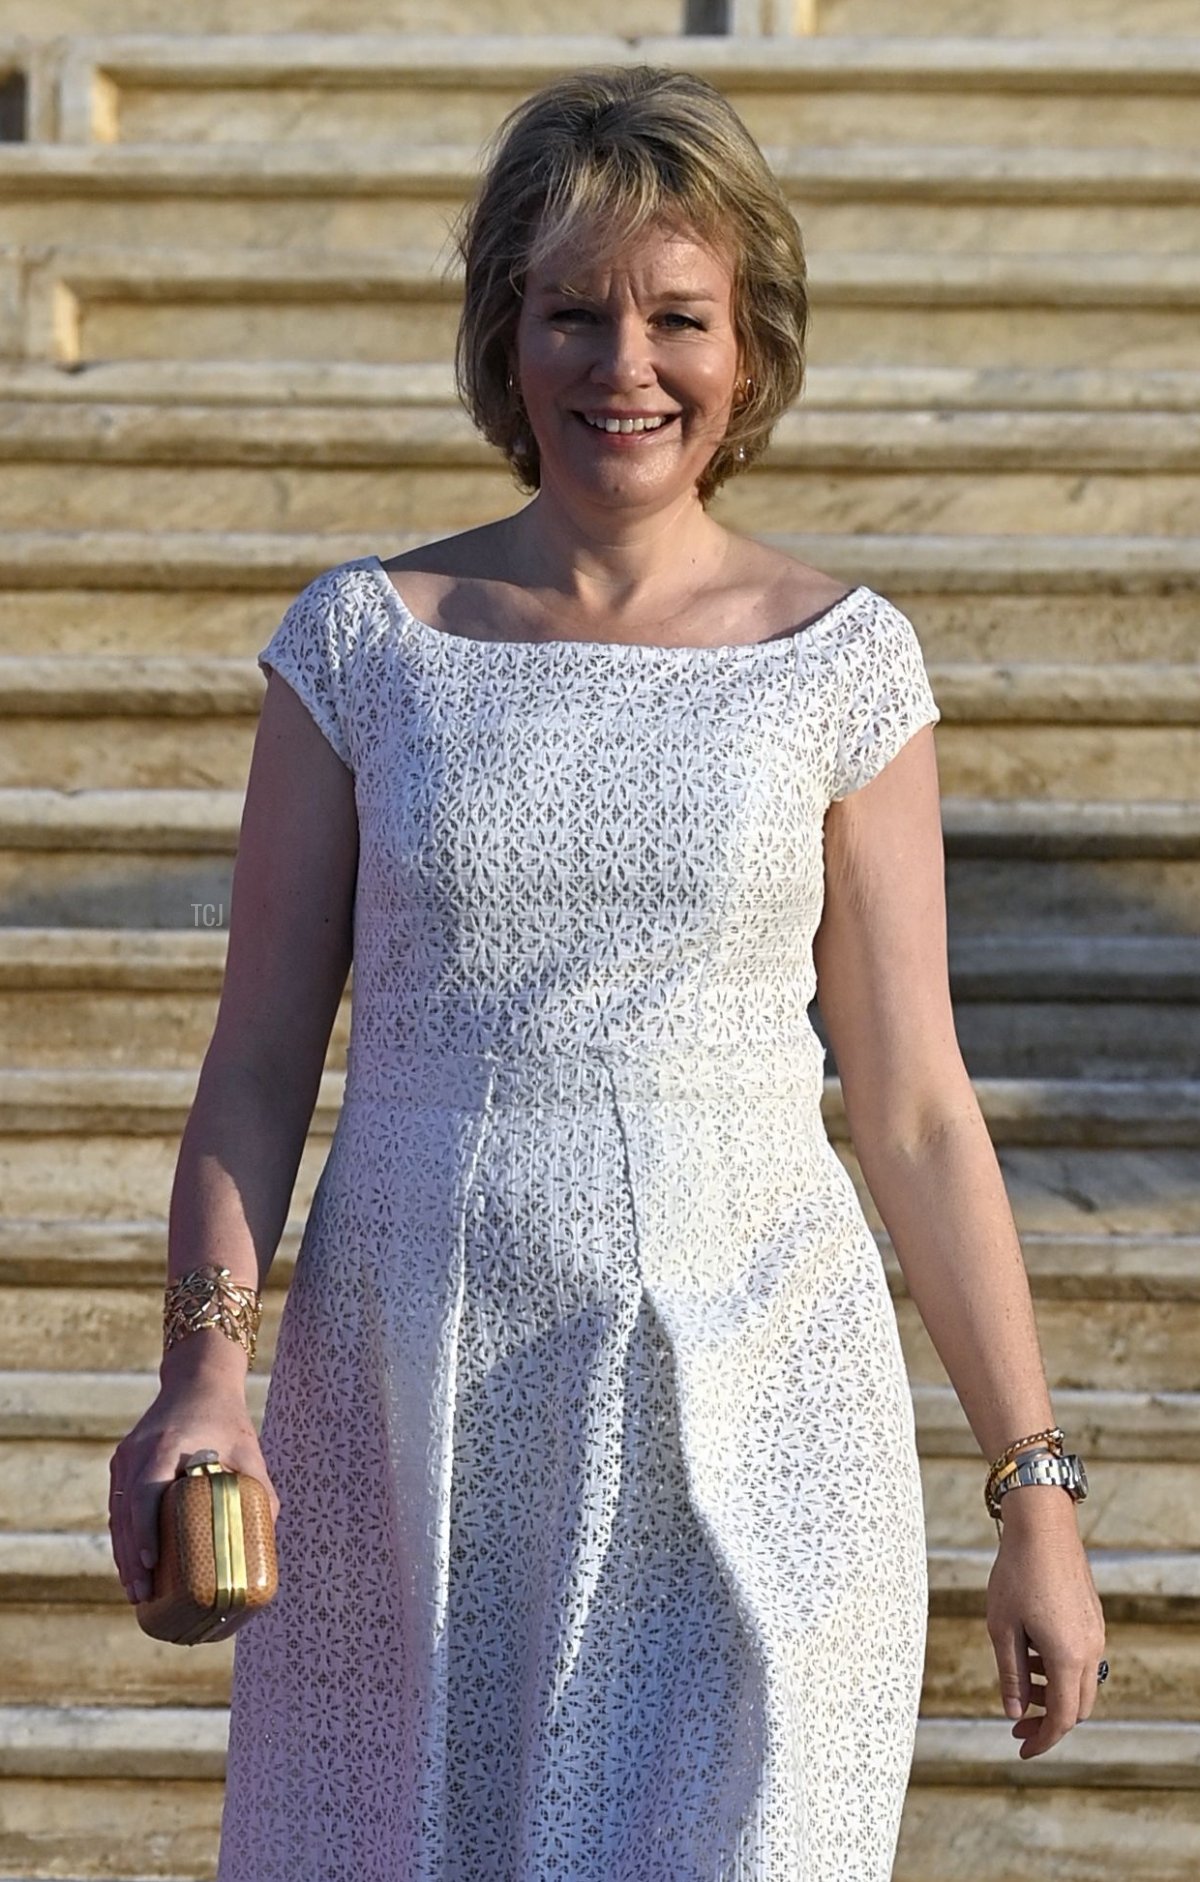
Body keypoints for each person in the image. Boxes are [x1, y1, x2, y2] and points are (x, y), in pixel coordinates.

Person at [108, 63, 1106, 1881]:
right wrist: (204, 1376)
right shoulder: (367, 648)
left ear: (751, 344)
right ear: (506, 338)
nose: (622, 366)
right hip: (425, 1388)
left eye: (676, 317)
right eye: (572, 312)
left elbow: (917, 1107)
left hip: (767, 1371)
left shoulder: (843, 664)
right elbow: (255, 1062)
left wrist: (1031, 1483)